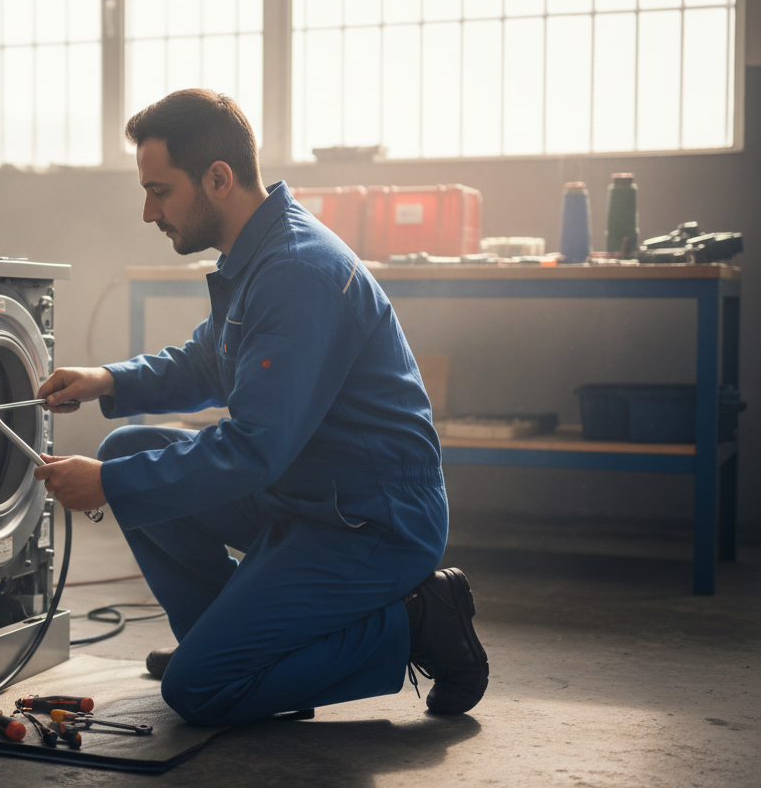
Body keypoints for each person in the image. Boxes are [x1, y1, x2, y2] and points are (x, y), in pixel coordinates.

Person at [33, 89, 488, 727]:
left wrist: (107, 487)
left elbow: (254, 449)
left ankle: (416, 621)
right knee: (127, 451)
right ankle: (229, 642)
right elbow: (207, 361)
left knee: (199, 691)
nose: (146, 212)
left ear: (217, 179)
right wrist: (106, 379)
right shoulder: (257, 254)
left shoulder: (297, 272)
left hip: (368, 520)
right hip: (307, 493)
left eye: (159, 191)